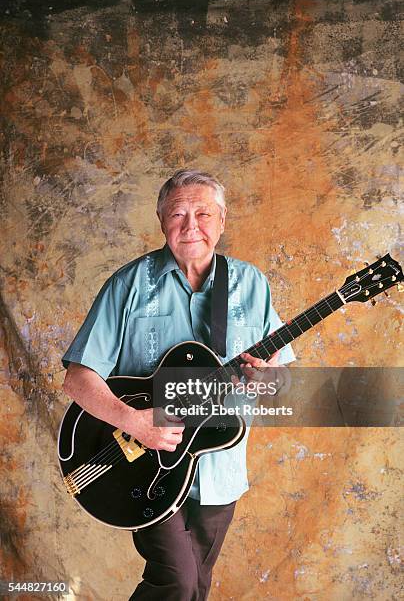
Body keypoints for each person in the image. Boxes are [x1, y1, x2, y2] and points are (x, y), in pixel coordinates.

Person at [61, 169, 295, 600]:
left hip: (219, 464)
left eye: (203, 213)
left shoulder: (250, 284)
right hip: (145, 463)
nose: (191, 226)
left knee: (196, 588)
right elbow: (77, 379)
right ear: (160, 220)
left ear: (222, 220)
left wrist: (266, 377)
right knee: (178, 580)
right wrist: (133, 421)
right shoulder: (129, 285)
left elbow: (277, 382)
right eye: (178, 214)